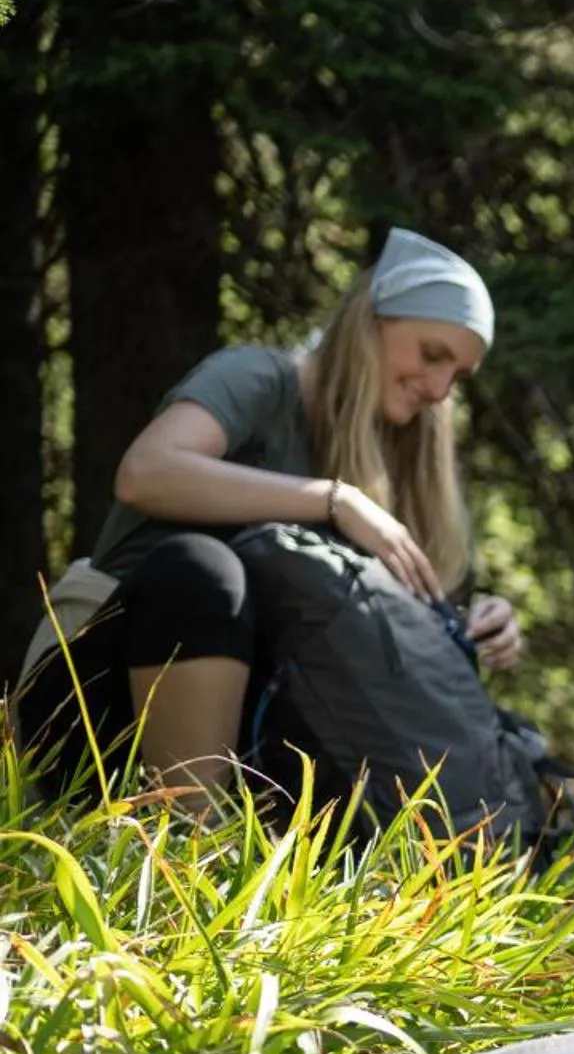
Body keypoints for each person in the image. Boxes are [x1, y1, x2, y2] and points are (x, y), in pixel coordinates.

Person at [13, 228, 522, 800]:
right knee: (203, 571)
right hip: (83, 707)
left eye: (458, 377)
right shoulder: (259, 380)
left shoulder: (395, 452)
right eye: (432, 355)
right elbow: (145, 473)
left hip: (248, 725)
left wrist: (468, 622)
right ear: (372, 322)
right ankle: (192, 842)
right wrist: (334, 499)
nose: (439, 389)